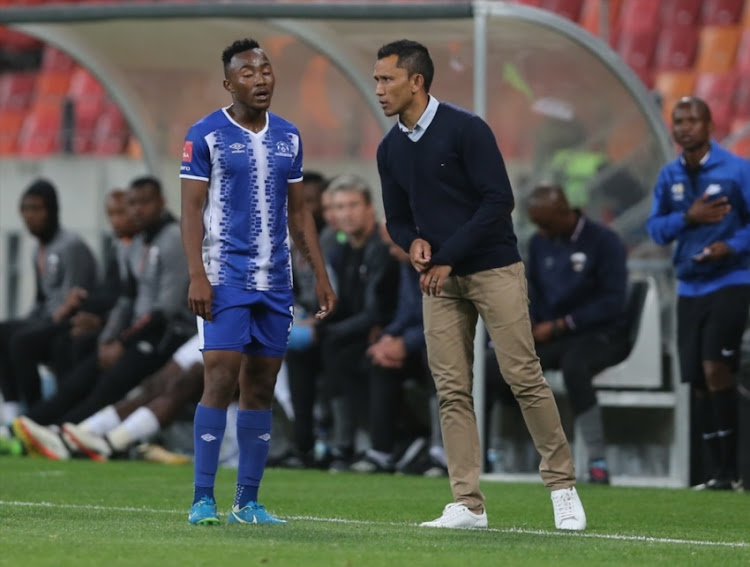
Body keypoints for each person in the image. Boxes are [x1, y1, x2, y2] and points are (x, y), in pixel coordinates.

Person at [374, 39, 586, 530]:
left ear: (416, 81)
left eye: (387, 79)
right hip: (439, 278)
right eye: (378, 80)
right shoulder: (389, 149)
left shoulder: (466, 129)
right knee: (450, 390)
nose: (380, 89)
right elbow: (397, 218)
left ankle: (562, 487)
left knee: (523, 377)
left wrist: (446, 256)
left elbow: (498, 202)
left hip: (493, 269)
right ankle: (468, 504)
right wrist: (414, 245)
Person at [180, 38, 336, 526]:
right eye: (248, 72)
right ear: (229, 83)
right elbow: (190, 208)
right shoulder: (205, 134)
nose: (261, 78)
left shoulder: (289, 135)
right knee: (221, 376)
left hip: (277, 282)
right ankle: (202, 499)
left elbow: (300, 211)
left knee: (262, 386)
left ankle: (247, 503)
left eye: (266, 70)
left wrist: (322, 274)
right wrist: (196, 275)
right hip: (225, 277)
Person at [487, 184, 629, 484]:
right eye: (537, 225)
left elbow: (613, 301)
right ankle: (492, 453)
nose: (542, 231)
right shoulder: (540, 243)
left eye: (547, 224)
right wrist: (531, 323)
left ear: (565, 212)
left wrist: (562, 324)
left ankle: (597, 461)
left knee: (575, 367)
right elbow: (534, 291)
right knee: (496, 363)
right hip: (552, 335)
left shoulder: (604, 241)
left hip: (601, 334)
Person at [647, 97, 750, 491]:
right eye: (679, 120)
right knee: (699, 379)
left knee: (715, 368)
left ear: (710, 125)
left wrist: (733, 247)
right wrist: (687, 217)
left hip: (731, 280)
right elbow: (656, 230)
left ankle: (730, 471)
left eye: (693, 119)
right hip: (689, 284)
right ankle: (716, 474)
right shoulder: (668, 175)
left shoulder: (737, 170)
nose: (685, 126)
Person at [0, 179, 99, 425]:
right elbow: (41, 298)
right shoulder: (39, 250)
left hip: (70, 322)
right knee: (4, 332)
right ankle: (11, 410)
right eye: (25, 209)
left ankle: (36, 415)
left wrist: (50, 318)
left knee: (20, 341)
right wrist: (30, 320)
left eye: (36, 208)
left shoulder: (71, 246)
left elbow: (77, 297)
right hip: (48, 319)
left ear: (52, 210)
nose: (29, 216)